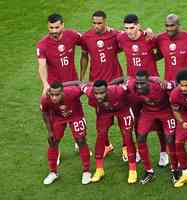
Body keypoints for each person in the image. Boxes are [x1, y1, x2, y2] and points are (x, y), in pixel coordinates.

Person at [117, 14, 168, 166]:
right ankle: (139, 150)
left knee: (159, 119)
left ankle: (164, 152)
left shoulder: (150, 38)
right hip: (134, 86)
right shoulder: (121, 38)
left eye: (132, 28)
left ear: (138, 26)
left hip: (153, 85)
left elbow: (162, 51)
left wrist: (151, 58)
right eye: (126, 28)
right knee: (136, 119)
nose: (129, 31)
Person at [36, 13, 84, 165]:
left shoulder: (72, 35)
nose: (54, 30)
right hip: (54, 89)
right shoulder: (42, 44)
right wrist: (45, 85)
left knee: (75, 113)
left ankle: (79, 141)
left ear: (63, 25)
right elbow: (42, 65)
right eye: (51, 27)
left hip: (71, 86)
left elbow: (88, 41)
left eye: (57, 27)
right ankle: (55, 151)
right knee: (54, 118)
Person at [80, 10, 124, 159]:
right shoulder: (86, 37)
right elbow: (84, 56)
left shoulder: (115, 35)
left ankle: (126, 146)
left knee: (121, 115)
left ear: (105, 22)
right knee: (101, 117)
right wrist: (82, 77)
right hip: (96, 83)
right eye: (94, 23)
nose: (96, 26)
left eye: (99, 23)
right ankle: (107, 145)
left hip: (115, 81)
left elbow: (130, 42)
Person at [125, 71, 179, 184]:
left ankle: (175, 169)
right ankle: (149, 171)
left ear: (149, 82)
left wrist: (160, 80)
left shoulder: (160, 85)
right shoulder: (132, 85)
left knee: (170, 138)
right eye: (138, 83)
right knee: (140, 137)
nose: (139, 86)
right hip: (147, 112)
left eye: (142, 83)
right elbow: (124, 79)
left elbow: (178, 84)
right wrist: (111, 83)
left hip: (165, 111)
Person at [81, 80, 138, 184]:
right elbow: (80, 84)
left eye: (102, 93)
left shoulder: (119, 90)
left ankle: (133, 169)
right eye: (96, 93)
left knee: (128, 137)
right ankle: (99, 170)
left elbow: (129, 80)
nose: (98, 96)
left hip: (123, 110)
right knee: (101, 136)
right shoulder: (89, 92)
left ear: (107, 90)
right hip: (105, 112)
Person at [40, 82, 91, 185]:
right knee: (53, 141)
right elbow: (44, 112)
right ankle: (53, 173)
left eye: (57, 95)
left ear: (63, 92)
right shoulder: (45, 98)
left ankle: (86, 171)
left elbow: (83, 86)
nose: (54, 98)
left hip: (76, 116)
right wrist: (50, 131)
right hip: (58, 118)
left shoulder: (73, 92)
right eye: (52, 94)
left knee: (81, 140)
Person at [156, 14, 187, 82]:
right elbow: (158, 55)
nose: (169, 29)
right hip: (169, 81)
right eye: (167, 26)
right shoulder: (160, 39)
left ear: (178, 25)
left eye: (172, 25)